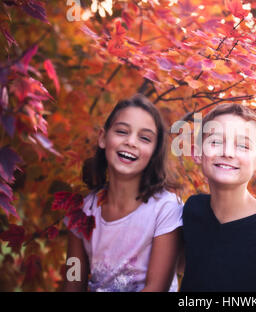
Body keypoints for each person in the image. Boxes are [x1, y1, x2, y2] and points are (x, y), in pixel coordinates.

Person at [63, 94, 183, 292]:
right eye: (122, 131)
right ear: (103, 138)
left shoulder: (166, 209)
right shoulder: (82, 210)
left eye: (144, 138)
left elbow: (157, 288)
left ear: (154, 151)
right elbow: (73, 278)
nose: (131, 142)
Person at [180, 103, 256, 292]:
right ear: (196, 152)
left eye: (243, 146)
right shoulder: (194, 210)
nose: (227, 153)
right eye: (216, 142)